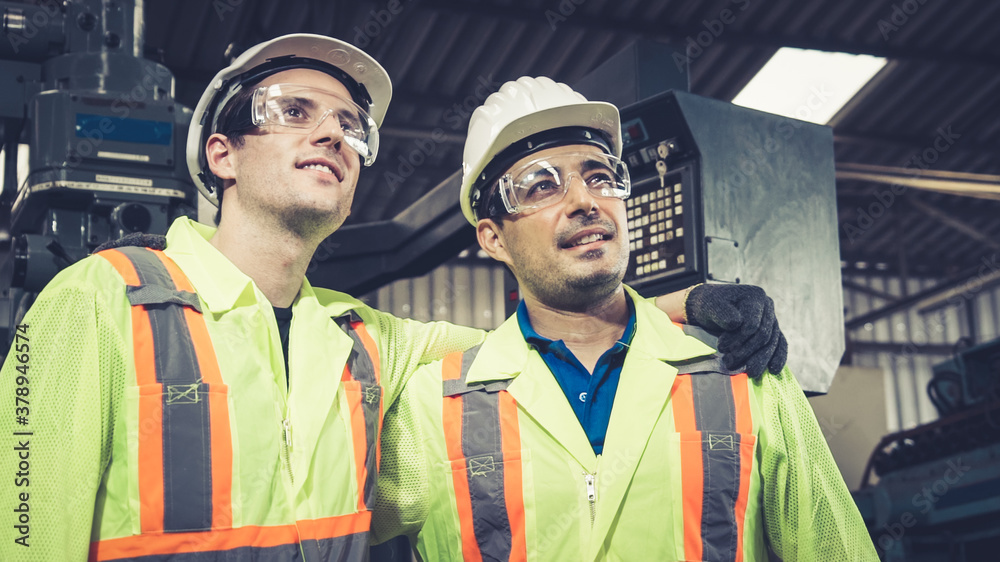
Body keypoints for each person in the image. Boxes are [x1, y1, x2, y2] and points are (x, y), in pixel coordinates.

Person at [0, 34, 785, 561]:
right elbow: (22, 528)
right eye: (294, 113)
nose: (334, 136)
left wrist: (692, 303)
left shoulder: (365, 343)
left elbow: (544, 335)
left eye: (351, 126)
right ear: (222, 153)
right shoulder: (96, 303)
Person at [372, 76, 878, 561]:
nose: (585, 201)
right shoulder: (430, 407)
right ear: (493, 238)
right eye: (540, 186)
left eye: (600, 176)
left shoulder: (740, 364)